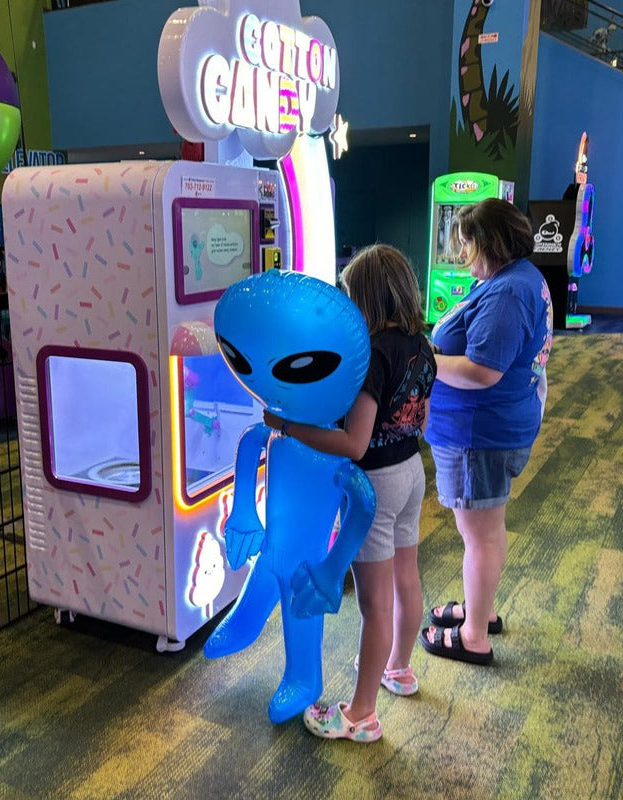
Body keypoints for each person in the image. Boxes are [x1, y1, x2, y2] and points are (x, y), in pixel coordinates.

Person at [264, 244, 437, 743]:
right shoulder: (421, 345)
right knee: (406, 579)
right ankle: (398, 667)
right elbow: (419, 419)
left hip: (375, 487)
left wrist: (288, 426)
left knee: (374, 604)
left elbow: (354, 444)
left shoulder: (372, 357)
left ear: (365, 298)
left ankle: (362, 715)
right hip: (411, 472)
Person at [420, 197, 553, 666]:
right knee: (487, 529)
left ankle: (473, 635)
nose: (461, 254)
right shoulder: (517, 279)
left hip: (480, 433)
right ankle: (481, 609)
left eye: (467, 244)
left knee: (479, 534)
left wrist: (425, 360)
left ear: (490, 243)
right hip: (491, 427)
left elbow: (482, 371)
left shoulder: (507, 293)